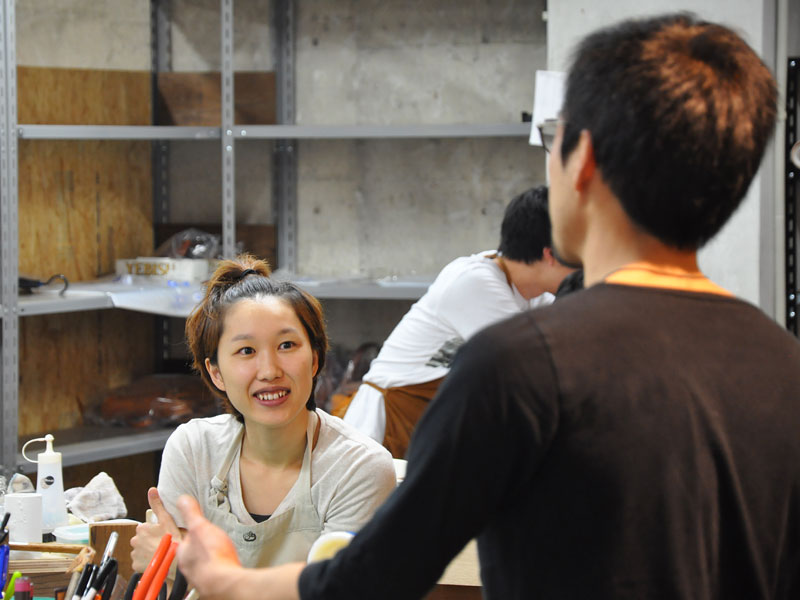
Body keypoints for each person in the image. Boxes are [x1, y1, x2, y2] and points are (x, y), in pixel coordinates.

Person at [173, 13, 800, 599]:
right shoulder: (782, 362)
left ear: (582, 160)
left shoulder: (523, 365)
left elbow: (381, 571)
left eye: (553, 140)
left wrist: (227, 580)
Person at [130, 255, 396, 570]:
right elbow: (169, 584)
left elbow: (332, 590)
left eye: (286, 345)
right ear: (216, 373)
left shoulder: (359, 469)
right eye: (246, 351)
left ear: (314, 359)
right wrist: (173, 567)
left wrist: (184, 566)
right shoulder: (193, 450)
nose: (270, 371)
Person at [340, 185, 574, 457]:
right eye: (579, 251)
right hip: (392, 419)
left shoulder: (532, 291)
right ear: (551, 254)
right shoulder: (475, 283)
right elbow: (534, 374)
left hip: (432, 416)